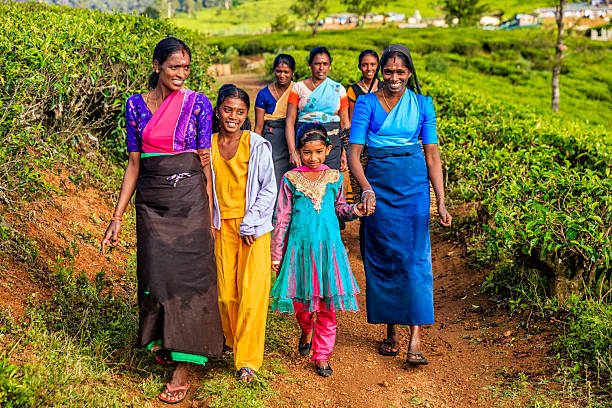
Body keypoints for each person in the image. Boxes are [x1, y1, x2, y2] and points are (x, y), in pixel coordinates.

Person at [101, 37, 223, 404]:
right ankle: (165, 340)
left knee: (187, 279)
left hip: (189, 201)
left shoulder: (199, 104)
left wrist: (212, 210)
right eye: (174, 67)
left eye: (186, 68)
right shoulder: (135, 106)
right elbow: (134, 163)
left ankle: (183, 364)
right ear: (157, 67)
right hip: (151, 204)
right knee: (156, 276)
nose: (181, 74)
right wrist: (117, 216)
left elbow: (205, 159)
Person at [348, 44, 452, 366]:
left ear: (409, 73)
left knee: (416, 259)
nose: (394, 77)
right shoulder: (365, 103)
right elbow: (354, 153)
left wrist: (442, 202)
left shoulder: (423, 105)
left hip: (414, 187)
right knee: (383, 256)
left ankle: (415, 338)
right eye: (389, 71)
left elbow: (432, 154)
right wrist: (365, 189)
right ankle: (391, 329)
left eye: (400, 72)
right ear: (381, 71)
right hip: (378, 187)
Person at [270, 123, 368, 377]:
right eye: (306, 153)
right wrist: (276, 253)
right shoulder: (290, 179)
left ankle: (322, 355)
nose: (312, 158)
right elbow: (281, 218)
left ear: (328, 150)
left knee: (327, 306)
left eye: (318, 152)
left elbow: (340, 210)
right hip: (299, 250)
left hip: (328, 250)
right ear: (299, 152)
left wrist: (356, 210)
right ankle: (305, 329)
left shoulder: (335, 178)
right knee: (302, 304)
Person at [210, 84, 277, 383]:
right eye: (227, 110)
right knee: (225, 295)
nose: (233, 116)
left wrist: (251, 222)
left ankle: (247, 361)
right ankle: (232, 341)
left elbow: (268, 189)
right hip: (221, 226)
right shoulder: (207, 144)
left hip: (253, 229)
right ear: (218, 110)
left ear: (246, 114)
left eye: (239, 112)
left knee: (252, 295)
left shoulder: (257, 144)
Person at [285, 47, 349, 172]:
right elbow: (289, 121)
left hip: (332, 145)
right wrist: (292, 151)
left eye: (325, 64)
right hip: (304, 145)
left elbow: (345, 124)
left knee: (330, 182)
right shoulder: (298, 88)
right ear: (310, 65)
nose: (321, 68)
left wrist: (345, 153)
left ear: (330, 66)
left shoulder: (338, 89)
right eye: (317, 64)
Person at [254, 54, 296, 190]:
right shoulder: (264, 94)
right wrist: (257, 150)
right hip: (273, 138)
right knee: (275, 176)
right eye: (279, 71)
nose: (282, 75)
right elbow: (259, 127)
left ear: (292, 72)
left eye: (286, 72)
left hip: (294, 135)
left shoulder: (297, 90)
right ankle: (276, 210)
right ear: (274, 71)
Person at [347, 49, 381, 121]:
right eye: (364, 65)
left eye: (373, 64)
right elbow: (351, 121)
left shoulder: (385, 87)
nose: (369, 69)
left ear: (378, 66)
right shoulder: (353, 90)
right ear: (359, 67)